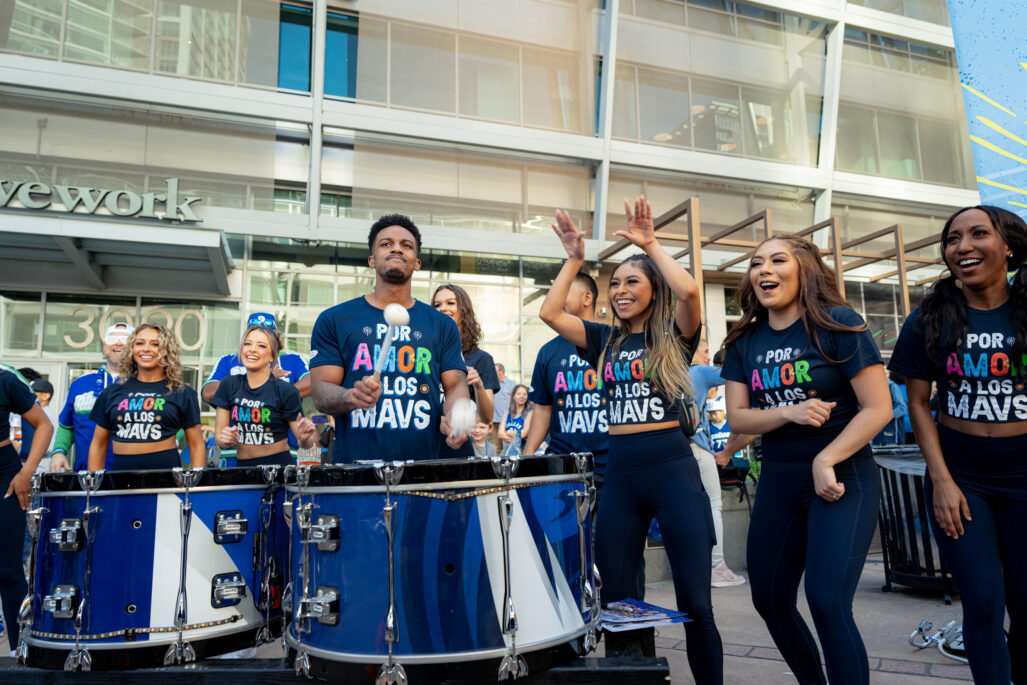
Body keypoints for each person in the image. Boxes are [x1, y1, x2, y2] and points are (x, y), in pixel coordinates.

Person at [540, 197, 722, 684]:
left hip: (673, 473)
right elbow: (550, 312)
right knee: (617, 603)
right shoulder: (604, 340)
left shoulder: (675, 334)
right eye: (614, 284)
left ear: (652, 289)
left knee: (696, 604)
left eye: (631, 281)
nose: (620, 290)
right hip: (620, 478)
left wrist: (651, 244)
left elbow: (688, 292)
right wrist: (575, 259)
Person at [720, 235, 892, 685]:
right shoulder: (745, 340)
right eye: (756, 263)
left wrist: (826, 459)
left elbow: (878, 408)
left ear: (805, 270)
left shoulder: (838, 323)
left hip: (841, 478)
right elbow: (738, 416)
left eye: (778, 261)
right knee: (770, 599)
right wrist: (788, 412)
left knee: (826, 599)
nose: (764, 271)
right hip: (778, 478)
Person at [888, 205, 1027, 685]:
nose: (962, 247)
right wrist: (943, 482)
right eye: (952, 239)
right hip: (961, 480)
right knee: (984, 600)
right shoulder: (929, 318)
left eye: (978, 234)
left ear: (1008, 246)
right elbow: (919, 404)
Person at [309, 214, 470, 462]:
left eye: (406, 245)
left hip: (422, 472)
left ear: (417, 263)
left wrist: (455, 414)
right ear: (372, 260)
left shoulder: (442, 325)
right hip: (356, 472)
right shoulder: (335, 319)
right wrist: (352, 396)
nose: (396, 248)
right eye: (386, 244)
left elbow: (456, 385)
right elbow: (320, 392)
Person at [88, 324, 205, 471]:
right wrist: (92, 487)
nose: (146, 349)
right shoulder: (111, 392)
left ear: (167, 350)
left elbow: (196, 445)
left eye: (155, 344)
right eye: (139, 343)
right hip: (121, 479)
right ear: (131, 349)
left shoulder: (183, 392)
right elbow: (98, 444)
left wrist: (196, 484)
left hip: (166, 480)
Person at [523, 272, 609, 468]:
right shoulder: (548, 352)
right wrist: (527, 456)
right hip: (561, 465)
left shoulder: (613, 342)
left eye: (564, 292)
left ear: (587, 298)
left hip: (610, 464)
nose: (557, 298)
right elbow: (543, 409)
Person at [202, 313, 310, 464]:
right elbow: (208, 393)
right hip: (234, 453)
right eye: (250, 341)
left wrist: (271, 388)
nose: (254, 348)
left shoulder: (292, 360)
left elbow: (312, 383)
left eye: (266, 337)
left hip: (283, 450)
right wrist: (256, 378)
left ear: (276, 341)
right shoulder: (228, 361)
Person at [1, 363, 53, 649]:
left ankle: (20, 650)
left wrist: (26, 471)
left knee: (7, 571)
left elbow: (44, 425)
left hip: (4, 476)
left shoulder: (5, 378)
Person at [687, 339, 747, 588]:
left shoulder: (662, 370)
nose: (708, 356)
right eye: (705, 352)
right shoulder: (697, 372)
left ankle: (693, 568)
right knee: (713, 506)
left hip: (668, 452)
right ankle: (717, 566)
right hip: (697, 448)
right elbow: (734, 372)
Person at [50, 322, 130, 472]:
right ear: (103, 345)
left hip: (130, 477)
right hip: (86, 477)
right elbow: (67, 425)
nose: (118, 343)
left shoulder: (145, 383)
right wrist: (59, 452)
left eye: (125, 339)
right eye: (112, 339)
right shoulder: (79, 384)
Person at [433, 283, 500, 457]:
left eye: (450, 303)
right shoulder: (425, 354)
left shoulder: (481, 359)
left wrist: (477, 385)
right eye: (437, 305)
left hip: (458, 448)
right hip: (424, 446)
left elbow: (487, 417)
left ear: (464, 309)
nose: (443, 308)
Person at [496, 384, 532, 455]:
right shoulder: (507, 412)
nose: (522, 396)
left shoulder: (530, 413)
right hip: (506, 451)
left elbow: (524, 433)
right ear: (513, 396)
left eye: (525, 394)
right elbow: (500, 434)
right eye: (518, 394)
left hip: (521, 452)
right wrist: (515, 438)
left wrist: (507, 432)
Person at [492, 362, 516, 429]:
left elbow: (516, 403)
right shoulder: (490, 384)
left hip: (506, 422)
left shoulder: (512, 385)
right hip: (492, 423)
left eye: (494, 371)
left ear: (501, 371)